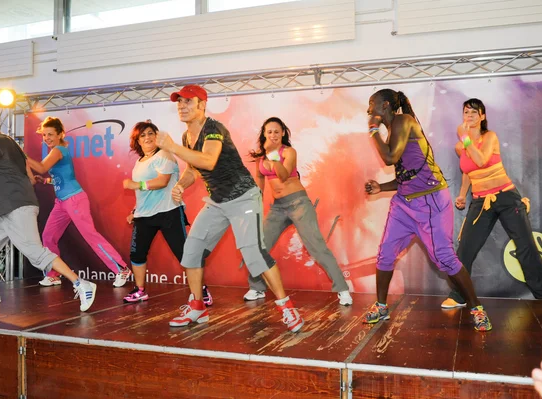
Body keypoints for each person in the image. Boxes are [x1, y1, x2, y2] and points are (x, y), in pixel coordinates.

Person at [155, 85, 304, 332]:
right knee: (191, 251)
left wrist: (172, 148)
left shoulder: (214, 129)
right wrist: (181, 184)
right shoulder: (185, 138)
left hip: (243, 197)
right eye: (179, 102)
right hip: (217, 201)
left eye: (188, 102)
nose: (182, 106)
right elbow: (193, 168)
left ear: (202, 104)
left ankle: (286, 307)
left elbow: (209, 161)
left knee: (254, 254)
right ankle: (197, 306)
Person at [363, 89, 492, 331]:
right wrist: (381, 187)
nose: (369, 110)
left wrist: (373, 129)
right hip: (404, 203)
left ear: (386, 106)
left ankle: (476, 307)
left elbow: (390, 157)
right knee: (385, 253)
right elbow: (406, 176)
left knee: (443, 258)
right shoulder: (394, 129)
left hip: (430, 202)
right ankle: (381, 306)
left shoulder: (404, 121)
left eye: (372, 104)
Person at [0, 106, 96, 312]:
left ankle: (81, 284)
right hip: (0, 209)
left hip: (15, 206)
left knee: (35, 252)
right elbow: (29, 176)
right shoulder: (9, 145)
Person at [442, 98, 542, 308]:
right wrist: (463, 194)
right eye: (466, 112)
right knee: (465, 248)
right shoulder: (460, 146)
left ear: (482, 116)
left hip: (506, 196)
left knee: (525, 245)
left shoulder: (489, 137)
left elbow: (481, 160)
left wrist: (465, 137)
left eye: (475, 112)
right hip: (480, 201)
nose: (470, 116)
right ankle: (459, 295)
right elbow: (468, 170)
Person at [245, 117, 352, 305]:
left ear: (283, 133)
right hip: (278, 208)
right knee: (259, 245)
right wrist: (255, 205)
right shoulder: (260, 159)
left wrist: (273, 156)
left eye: (277, 132)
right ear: (264, 134)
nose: (273, 135)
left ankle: (343, 290)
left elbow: (284, 175)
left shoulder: (288, 152)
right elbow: (259, 183)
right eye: (269, 132)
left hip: (298, 203)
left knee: (317, 247)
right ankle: (257, 288)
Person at [27, 117, 130, 288]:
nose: (47, 138)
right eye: (44, 135)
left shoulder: (58, 150)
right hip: (61, 202)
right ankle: (53, 275)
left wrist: (20, 155)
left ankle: (121, 269)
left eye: (50, 134)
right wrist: (45, 181)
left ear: (61, 134)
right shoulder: (55, 150)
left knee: (90, 235)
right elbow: (63, 177)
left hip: (75, 200)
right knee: (48, 236)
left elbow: (41, 167)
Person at [122, 120, 212, 305]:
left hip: (168, 212)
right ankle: (140, 291)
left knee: (185, 254)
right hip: (143, 217)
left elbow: (162, 182)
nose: (147, 138)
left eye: (150, 133)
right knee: (137, 254)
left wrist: (136, 184)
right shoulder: (139, 162)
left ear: (157, 136)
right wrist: (134, 211)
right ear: (137, 141)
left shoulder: (165, 154)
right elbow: (143, 195)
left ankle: (201, 290)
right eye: (142, 135)